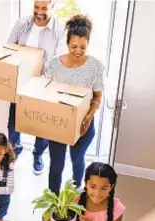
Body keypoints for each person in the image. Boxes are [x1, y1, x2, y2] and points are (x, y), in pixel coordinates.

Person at [44, 14, 105, 195]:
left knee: (77, 160)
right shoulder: (53, 64)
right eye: (73, 46)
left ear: (88, 44)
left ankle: (76, 193)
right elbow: (45, 92)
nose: (78, 51)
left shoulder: (95, 67)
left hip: (84, 125)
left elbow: (97, 97)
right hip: (58, 124)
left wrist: (88, 117)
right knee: (56, 165)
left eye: (83, 47)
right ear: (67, 43)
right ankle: (53, 201)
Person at [7, 0, 67, 175]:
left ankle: (38, 154)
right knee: (14, 122)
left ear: (52, 7)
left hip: (43, 85)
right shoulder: (21, 24)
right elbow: (9, 49)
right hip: (20, 83)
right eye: (36, 7)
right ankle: (14, 151)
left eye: (44, 8)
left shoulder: (60, 31)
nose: (39, 12)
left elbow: (60, 62)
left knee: (41, 125)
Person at [48, 162, 126, 221]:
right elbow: (55, 217)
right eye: (93, 187)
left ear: (111, 187)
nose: (97, 193)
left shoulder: (116, 209)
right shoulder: (74, 200)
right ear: (86, 183)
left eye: (104, 188)